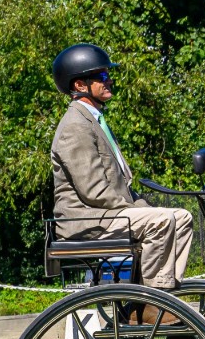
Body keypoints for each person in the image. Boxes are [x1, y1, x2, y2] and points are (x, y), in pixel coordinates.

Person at [50, 44, 194, 300]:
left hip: (108, 215)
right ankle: (152, 302)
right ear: (81, 85)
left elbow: (120, 186)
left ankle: (161, 295)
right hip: (87, 221)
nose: (109, 81)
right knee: (160, 221)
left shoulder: (94, 121)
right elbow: (94, 191)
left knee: (181, 217)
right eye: (102, 77)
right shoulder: (75, 125)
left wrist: (141, 206)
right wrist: (140, 211)